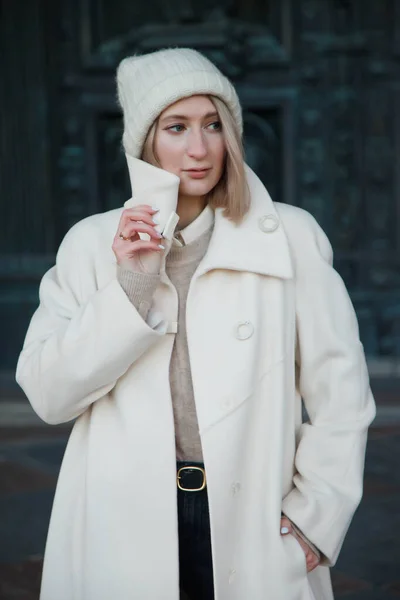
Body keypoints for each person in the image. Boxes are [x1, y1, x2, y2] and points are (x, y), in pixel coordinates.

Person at [16, 48, 376, 600]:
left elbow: (341, 394)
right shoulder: (91, 245)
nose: (200, 149)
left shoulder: (291, 237)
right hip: (124, 523)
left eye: (213, 124)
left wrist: (315, 517)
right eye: (176, 127)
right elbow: (47, 394)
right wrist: (132, 285)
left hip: (253, 520)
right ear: (145, 142)